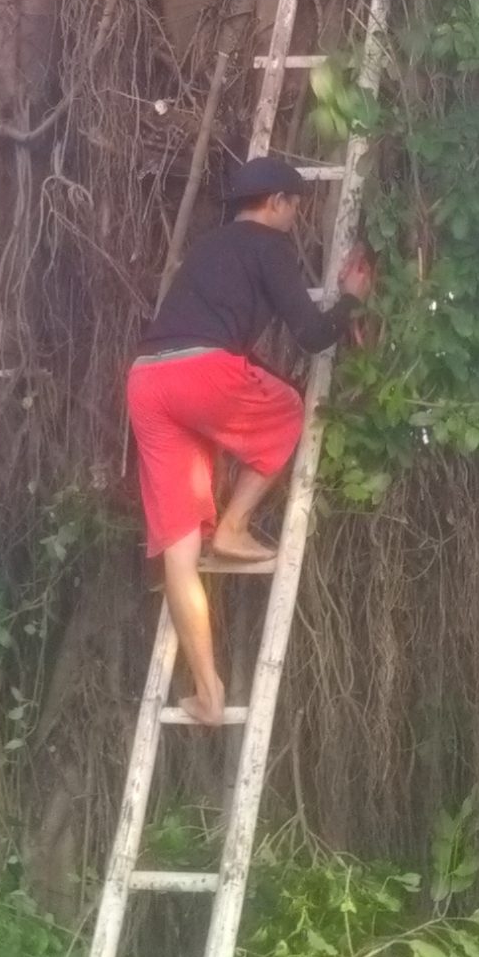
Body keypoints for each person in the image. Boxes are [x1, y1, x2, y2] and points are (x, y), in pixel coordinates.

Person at [126, 156, 374, 727]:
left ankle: (208, 692)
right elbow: (312, 337)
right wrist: (352, 299)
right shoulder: (269, 246)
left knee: (181, 551)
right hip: (201, 373)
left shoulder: (209, 249)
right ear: (276, 203)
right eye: (295, 207)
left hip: (147, 378)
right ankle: (235, 524)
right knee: (288, 408)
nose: (295, 217)